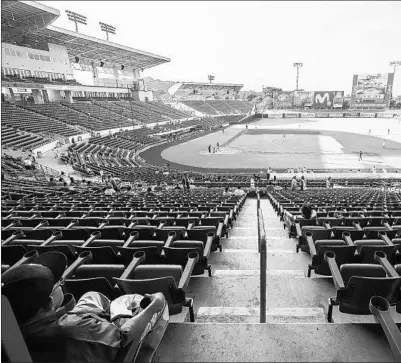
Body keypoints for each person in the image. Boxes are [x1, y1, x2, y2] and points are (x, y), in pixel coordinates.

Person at [1, 252, 168, 363]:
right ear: (50, 302)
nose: (61, 283)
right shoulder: (75, 329)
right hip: (97, 339)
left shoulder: (10, 332)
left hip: (64, 332)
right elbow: (124, 338)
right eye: (59, 283)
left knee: (92, 295)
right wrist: (154, 305)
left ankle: (104, 316)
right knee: (142, 302)